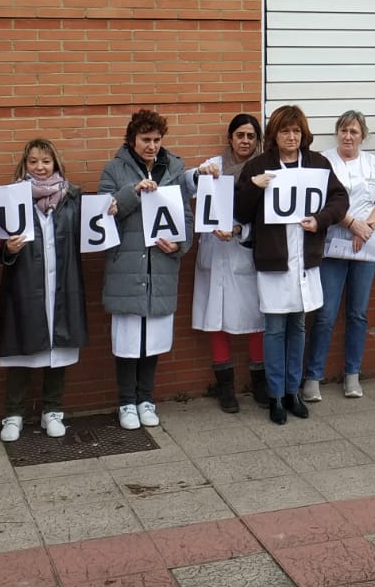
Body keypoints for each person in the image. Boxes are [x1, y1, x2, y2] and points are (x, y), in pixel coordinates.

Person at [235, 105, 348, 422]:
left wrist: (320, 220)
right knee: (274, 329)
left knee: (298, 326)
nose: (291, 137)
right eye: (285, 131)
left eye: (296, 131)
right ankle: (275, 396)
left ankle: (292, 391)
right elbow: (240, 212)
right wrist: (254, 188)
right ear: (275, 135)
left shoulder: (317, 164)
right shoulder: (258, 166)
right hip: (274, 258)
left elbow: (340, 200)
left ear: (303, 134)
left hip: (305, 258)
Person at [100, 108, 195, 431]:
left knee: (153, 340)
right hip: (126, 267)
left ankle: (145, 399)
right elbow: (102, 216)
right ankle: (126, 402)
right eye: (145, 139)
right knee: (128, 342)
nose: (152, 146)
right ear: (132, 140)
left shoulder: (174, 169)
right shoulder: (114, 169)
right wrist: (133, 192)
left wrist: (179, 246)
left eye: (156, 139)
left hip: (161, 268)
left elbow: (185, 218)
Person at [0, 138, 92, 443]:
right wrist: (6, 249)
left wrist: (111, 208)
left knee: (58, 347)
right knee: (21, 347)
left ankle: (53, 410)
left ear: (55, 164)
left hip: (62, 283)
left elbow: (92, 229)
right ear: (24, 164)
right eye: (33, 161)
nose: (40, 167)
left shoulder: (72, 197)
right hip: (24, 284)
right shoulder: (9, 198)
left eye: (46, 161)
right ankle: (13, 413)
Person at [303, 111, 375, 401]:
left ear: (362, 135)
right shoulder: (323, 161)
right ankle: (313, 377)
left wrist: (367, 228)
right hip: (333, 247)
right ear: (337, 133)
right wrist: (352, 224)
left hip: (366, 247)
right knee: (325, 315)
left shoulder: (373, 162)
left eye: (353, 131)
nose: (348, 136)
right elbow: (323, 201)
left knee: (358, 314)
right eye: (343, 130)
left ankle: (352, 375)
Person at [191, 114, 267, 414]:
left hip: (244, 250)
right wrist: (199, 173)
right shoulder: (215, 165)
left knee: (256, 319)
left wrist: (239, 229)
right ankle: (225, 388)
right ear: (230, 138)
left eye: (251, 136)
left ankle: (259, 382)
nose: (245, 141)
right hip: (214, 251)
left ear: (257, 140)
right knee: (216, 318)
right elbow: (186, 184)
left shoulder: (263, 170)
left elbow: (266, 217)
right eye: (240, 135)